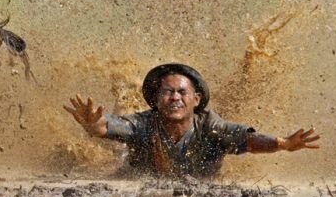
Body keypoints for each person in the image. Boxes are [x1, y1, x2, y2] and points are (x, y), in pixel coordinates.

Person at [63, 63, 320, 177]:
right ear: (156, 99)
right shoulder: (144, 123)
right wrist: (92, 125)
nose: (175, 98)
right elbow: (108, 126)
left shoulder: (211, 126)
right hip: (135, 179)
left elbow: (249, 141)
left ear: (196, 99)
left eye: (182, 92)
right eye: (168, 92)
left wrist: (283, 143)